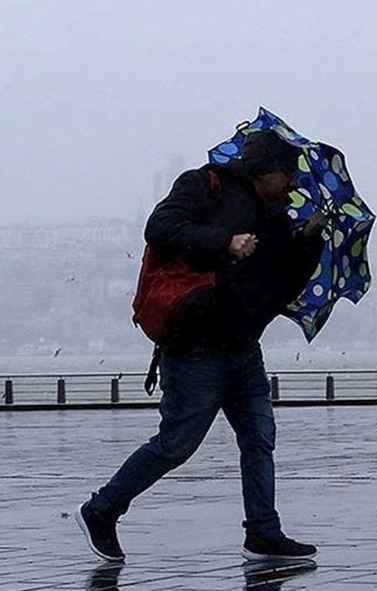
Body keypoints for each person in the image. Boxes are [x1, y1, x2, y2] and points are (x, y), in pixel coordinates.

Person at [75, 129, 326, 562]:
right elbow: (160, 228)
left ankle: (263, 533)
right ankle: (102, 509)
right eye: (287, 173)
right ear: (263, 170)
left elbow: (285, 287)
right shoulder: (203, 185)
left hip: (244, 348)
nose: (293, 184)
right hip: (196, 347)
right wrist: (224, 242)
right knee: (177, 443)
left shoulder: (277, 218)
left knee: (259, 437)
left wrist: (309, 240)